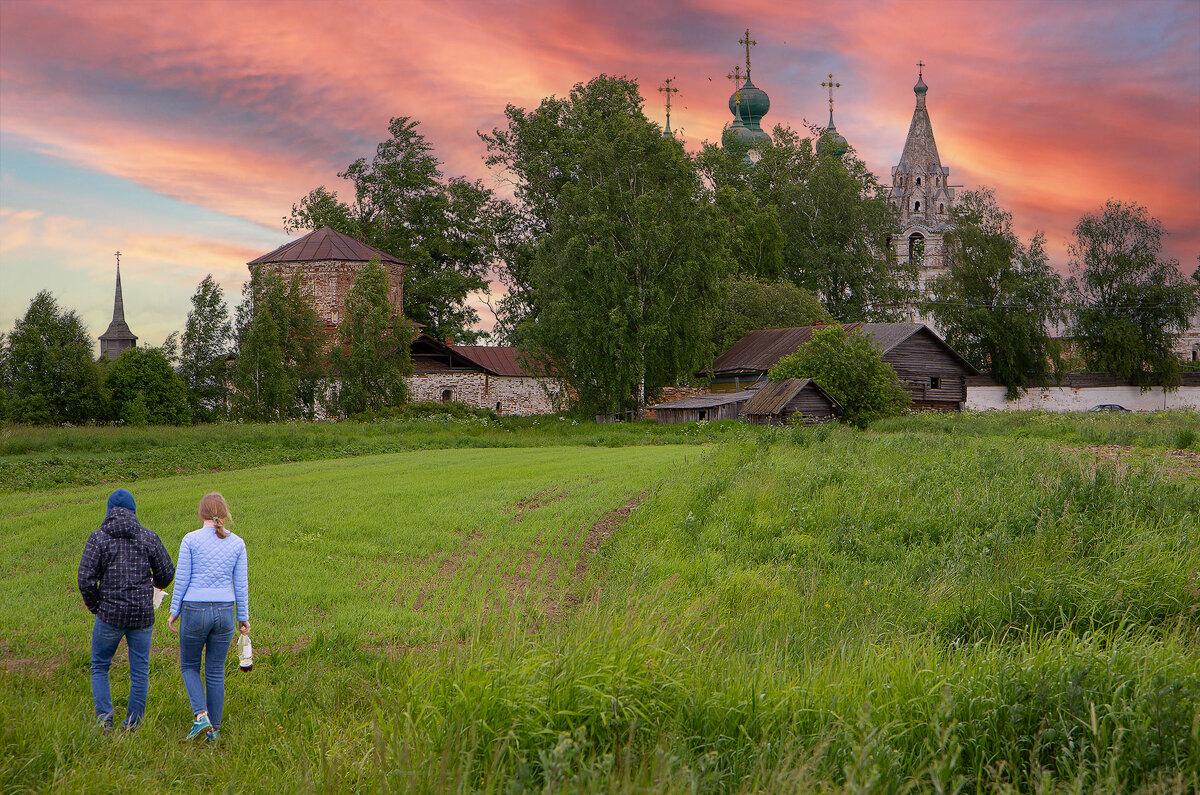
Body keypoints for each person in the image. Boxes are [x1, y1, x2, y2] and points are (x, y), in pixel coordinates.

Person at [78, 488, 175, 731]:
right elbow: (166, 572)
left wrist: (95, 606)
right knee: (139, 670)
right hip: (142, 614)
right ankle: (133, 725)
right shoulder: (148, 537)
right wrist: (156, 586)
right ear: (133, 511)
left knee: (100, 665)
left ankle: (104, 721)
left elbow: (85, 578)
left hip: (109, 614)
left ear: (109, 511)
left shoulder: (98, 538)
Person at [168, 492, 249, 744]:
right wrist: (243, 616)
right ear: (224, 513)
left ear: (202, 513)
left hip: (194, 609)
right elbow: (241, 583)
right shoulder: (237, 543)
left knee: (189, 665)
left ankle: (200, 714)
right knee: (215, 671)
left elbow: (181, 579)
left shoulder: (190, 540)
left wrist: (174, 611)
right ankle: (215, 732)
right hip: (225, 611)